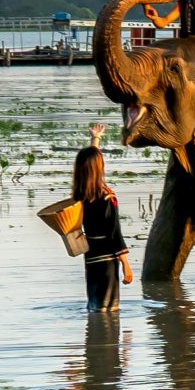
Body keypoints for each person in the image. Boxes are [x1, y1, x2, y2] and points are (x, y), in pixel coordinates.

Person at [74, 126, 133, 311]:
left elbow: (89, 165)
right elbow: (114, 233)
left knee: (95, 305)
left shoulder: (81, 195)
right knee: (109, 310)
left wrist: (96, 140)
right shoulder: (107, 198)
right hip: (108, 258)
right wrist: (126, 265)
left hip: (90, 255)